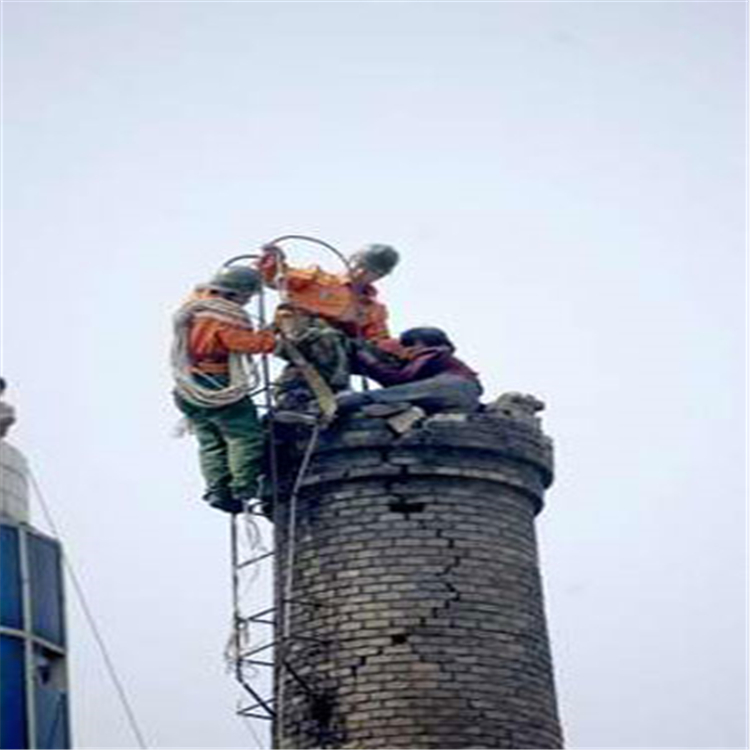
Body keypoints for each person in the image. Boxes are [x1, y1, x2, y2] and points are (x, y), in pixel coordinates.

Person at [171, 266, 276, 514]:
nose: (247, 302)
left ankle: (218, 491)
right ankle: (243, 488)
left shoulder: (193, 307)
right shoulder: (222, 318)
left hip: (189, 388)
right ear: (235, 293)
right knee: (243, 436)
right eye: (247, 296)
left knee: (211, 441)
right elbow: (247, 344)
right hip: (217, 383)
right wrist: (274, 335)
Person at [257, 243, 401, 410]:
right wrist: (273, 260)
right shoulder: (317, 279)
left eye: (372, 271)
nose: (361, 272)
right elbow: (277, 277)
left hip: (337, 350)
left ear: (381, 276)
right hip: (298, 333)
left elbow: (378, 339)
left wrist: (403, 349)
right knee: (328, 336)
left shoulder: (372, 307)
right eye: (359, 264)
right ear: (350, 259)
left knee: (382, 355)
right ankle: (338, 389)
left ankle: (401, 394)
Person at [340, 327, 483, 414]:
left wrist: (363, 356)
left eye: (407, 345)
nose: (404, 350)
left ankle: (339, 404)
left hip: (450, 387)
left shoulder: (430, 353)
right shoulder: (445, 357)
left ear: (419, 343)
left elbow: (398, 380)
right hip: (468, 397)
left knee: (373, 396)